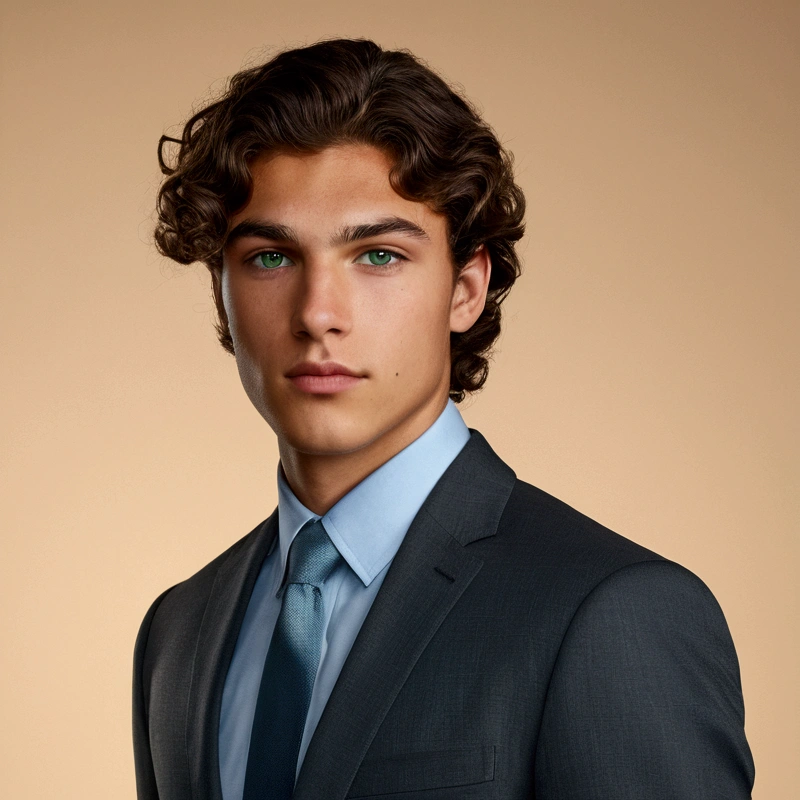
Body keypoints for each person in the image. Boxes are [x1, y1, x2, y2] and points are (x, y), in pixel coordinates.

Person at [133, 38, 755, 800]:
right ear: (220, 290)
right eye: (270, 257)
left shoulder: (611, 615)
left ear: (466, 289)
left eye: (378, 256)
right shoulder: (177, 634)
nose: (318, 313)